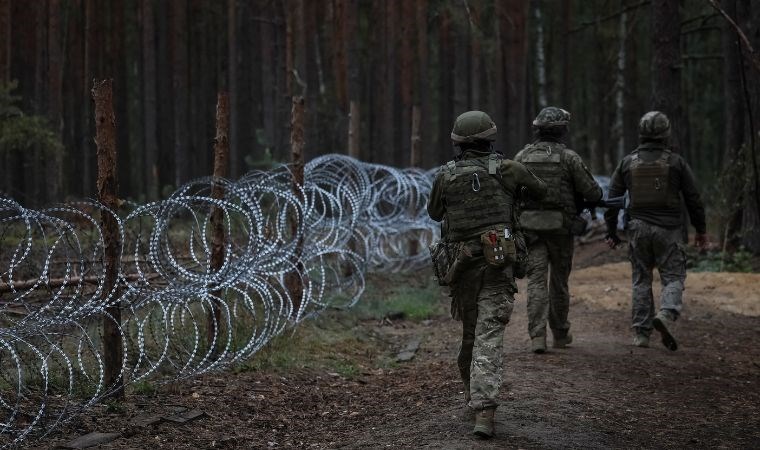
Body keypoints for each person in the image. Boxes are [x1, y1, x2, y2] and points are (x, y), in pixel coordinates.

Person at [428, 111, 546, 438]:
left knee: (470, 333)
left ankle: (473, 396)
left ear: (457, 143)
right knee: (488, 334)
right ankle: (484, 410)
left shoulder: (447, 174)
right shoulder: (508, 169)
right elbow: (543, 191)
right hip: (498, 262)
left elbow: (435, 212)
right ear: (491, 138)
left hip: (462, 265)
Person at [604, 111, 707, 350]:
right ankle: (667, 313)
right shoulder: (676, 162)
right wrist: (700, 230)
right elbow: (693, 199)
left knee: (641, 280)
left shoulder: (627, 162)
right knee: (673, 277)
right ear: (666, 134)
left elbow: (612, 199)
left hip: (637, 229)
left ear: (641, 133)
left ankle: (641, 333)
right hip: (668, 229)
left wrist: (611, 232)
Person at [514, 107, 602, 354]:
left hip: (530, 230)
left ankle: (537, 336)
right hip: (560, 229)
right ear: (563, 130)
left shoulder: (522, 156)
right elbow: (594, 193)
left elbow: (511, 190)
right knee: (559, 283)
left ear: (537, 129)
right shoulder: (569, 158)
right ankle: (560, 334)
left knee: (536, 282)